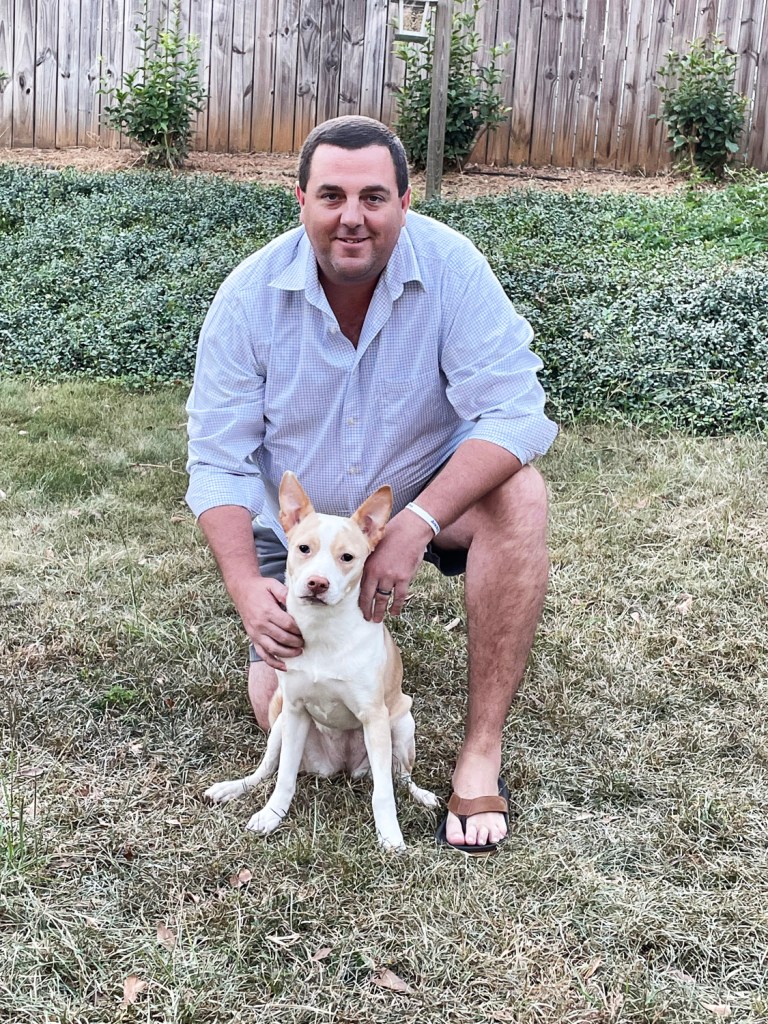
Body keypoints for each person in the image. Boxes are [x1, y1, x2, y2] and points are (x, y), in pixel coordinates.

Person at [186, 115, 558, 853]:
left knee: (521, 494)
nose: (352, 217)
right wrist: (244, 584)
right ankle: (316, 651)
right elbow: (217, 459)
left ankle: (480, 753)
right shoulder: (248, 295)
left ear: (405, 202)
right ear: (301, 200)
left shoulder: (452, 269)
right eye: (331, 196)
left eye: (373, 197)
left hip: (419, 496)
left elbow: (518, 412)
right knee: (280, 708)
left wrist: (417, 523)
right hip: (299, 534)